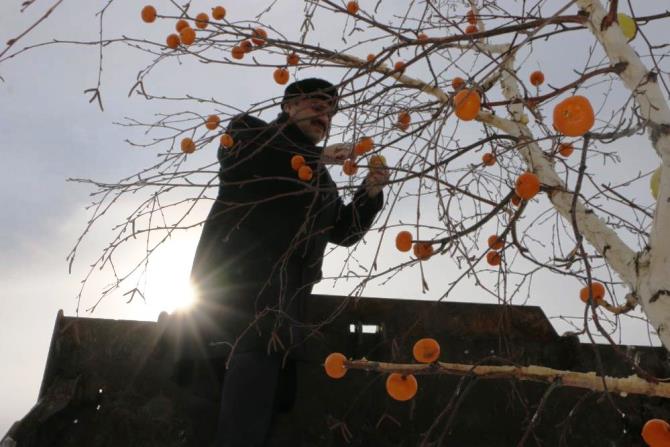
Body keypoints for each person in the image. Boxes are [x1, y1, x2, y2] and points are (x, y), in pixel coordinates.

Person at [188, 78, 388, 446]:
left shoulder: (322, 181)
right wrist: (319, 156)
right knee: (236, 410)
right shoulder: (249, 133)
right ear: (289, 106)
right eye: (316, 105)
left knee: (267, 410)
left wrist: (370, 192)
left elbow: (343, 231)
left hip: (287, 310)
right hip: (237, 297)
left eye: (330, 112)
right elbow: (245, 157)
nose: (325, 115)